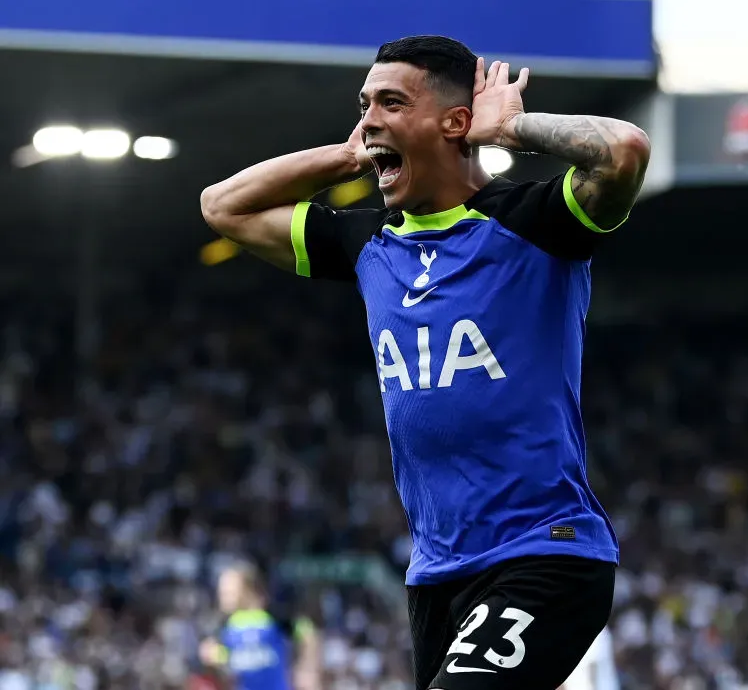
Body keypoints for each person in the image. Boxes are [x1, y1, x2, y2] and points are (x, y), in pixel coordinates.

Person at [201, 34, 650, 690]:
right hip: (437, 572)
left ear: (455, 122)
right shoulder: (368, 244)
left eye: (390, 102)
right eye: (364, 104)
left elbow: (625, 152)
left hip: (544, 553)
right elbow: (223, 206)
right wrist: (350, 154)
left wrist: (514, 125)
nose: (370, 118)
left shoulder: (533, 222)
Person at [199, 563, 321, 690]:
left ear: (246, 588)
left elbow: (307, 632)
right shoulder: (225, 625)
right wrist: (213, 656)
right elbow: (228, 659)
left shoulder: (273, 616)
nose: (222, 596)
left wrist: (307, 668)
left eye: (228, 590)